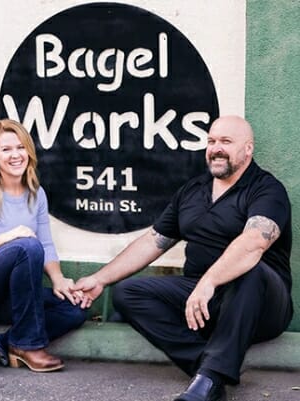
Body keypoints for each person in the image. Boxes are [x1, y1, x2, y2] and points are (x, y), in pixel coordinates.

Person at [73, 115, 293, 401]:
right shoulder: (193, 190)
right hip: (202, 298)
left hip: (260, 304)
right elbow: (154, 241)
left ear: (248, 149)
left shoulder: (266, 189)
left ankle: (211, 381)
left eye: (226, 142)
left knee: (250, 269)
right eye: (211, 141)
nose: (216, 148)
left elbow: (253, 243)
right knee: (128, 292)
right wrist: (99, 279)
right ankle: (205, 365)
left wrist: (209, 281)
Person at [0, 119, 86, 373]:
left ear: (29, 152)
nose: (15, 155)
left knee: (74, 310)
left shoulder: (36, 194)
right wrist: (9, 237)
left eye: (21, 148)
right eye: (6, 149)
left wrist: (58, 279)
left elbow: (45, 243)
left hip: (8, 296)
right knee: (26, 246)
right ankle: (29, 347)